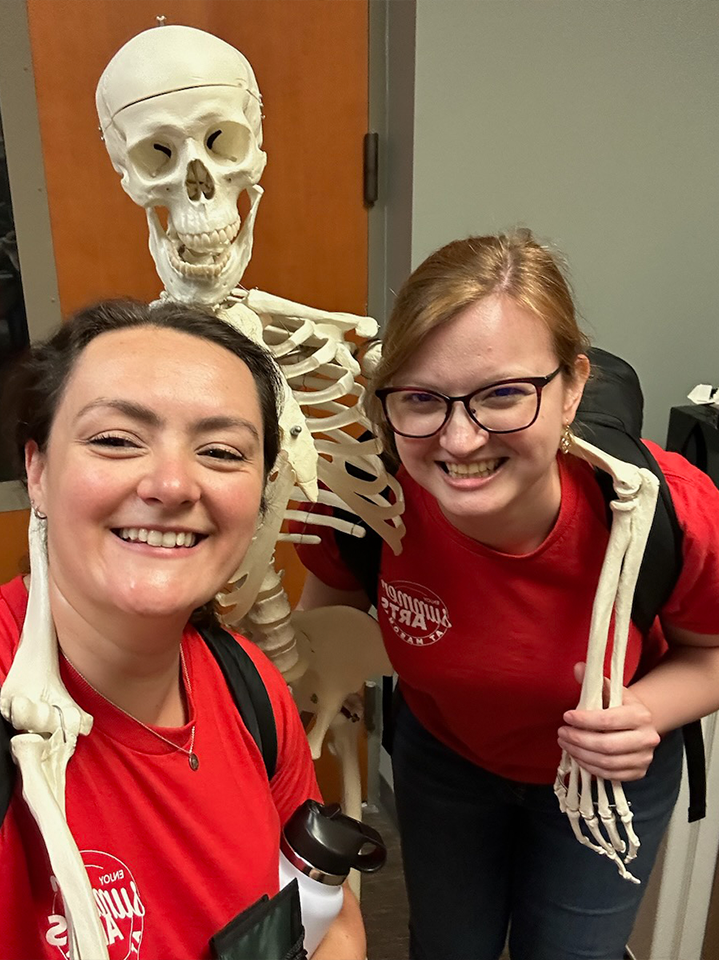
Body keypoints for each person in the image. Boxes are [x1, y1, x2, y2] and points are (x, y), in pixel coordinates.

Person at [295, 231, 719, 958]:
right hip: (444, 757)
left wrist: (644, 713)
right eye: (421, 399)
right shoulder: (367, 503)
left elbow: (710, 653)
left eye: (503, 394)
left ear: (572, 387)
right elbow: (328, 618)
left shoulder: (666, 515)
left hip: (600, 781)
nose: (461, 441)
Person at [0, 299, 363, 958]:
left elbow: (330, 913)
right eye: (116, 440)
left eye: (221, 451)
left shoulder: (253, 689)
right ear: (37, 471)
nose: (172, 484)